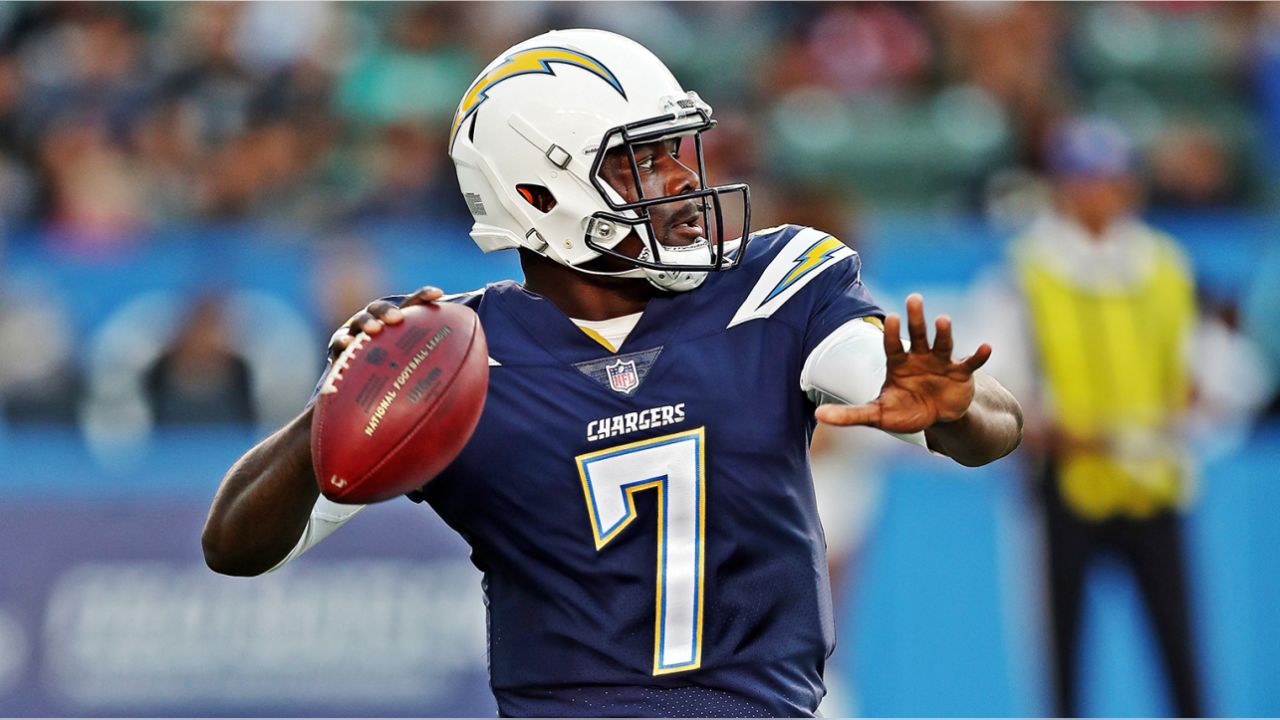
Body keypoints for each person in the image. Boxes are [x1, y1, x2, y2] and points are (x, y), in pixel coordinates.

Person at [202, 29, 1022, 717]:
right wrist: (337, 404)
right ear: (536, 191)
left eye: (679, 153)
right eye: (642, 163)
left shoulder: (771, 289)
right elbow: (237, 547)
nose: (682, 182)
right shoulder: (453, 354)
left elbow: (991, 430)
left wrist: (955, 411)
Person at [1004, 117, 1204, 717]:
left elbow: (1194, 369)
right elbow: (1004, 391)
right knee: (1063, 664)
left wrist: (1177, 410)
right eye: (1084, 179)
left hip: (1152, 484)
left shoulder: (1164, 264)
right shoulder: (1029, 269)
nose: (1098, 193)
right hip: (1068, 485)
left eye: (1108, 178)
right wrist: (1055, 432)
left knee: (1181, 657)